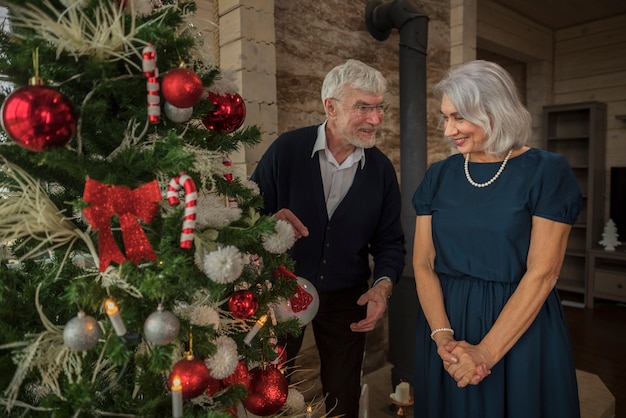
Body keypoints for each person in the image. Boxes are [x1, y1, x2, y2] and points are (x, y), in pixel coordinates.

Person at [411, 60, 582, 418]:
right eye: (445, 117)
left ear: (493, 111)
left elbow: (544, 273)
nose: (448, 130)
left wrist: (485, 352)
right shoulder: (439, 175)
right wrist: (443, 336)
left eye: (459, 117)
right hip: (446, 324)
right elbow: (424, 263)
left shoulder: (548, 171)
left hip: (520, 327)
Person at [250, 59, 406, 416]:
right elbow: (245, 215)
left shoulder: (381, 170)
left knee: (343, 396)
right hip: (280, 292)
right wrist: (265, 224)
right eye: (363, 107)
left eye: (379, 107)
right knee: (268, 389)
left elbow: (390, 242)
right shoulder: (286, 151)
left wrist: (383, 286)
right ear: (330, 107)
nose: (376, 118)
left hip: (348, 298)